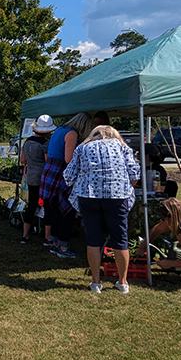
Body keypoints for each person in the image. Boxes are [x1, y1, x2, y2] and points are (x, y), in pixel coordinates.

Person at [63, 125, 140, 294]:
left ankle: (96, 282)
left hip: (89, 195)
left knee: (93, 239)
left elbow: (68, 176)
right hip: (118, 196)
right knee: (120, 239)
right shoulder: (123, 147)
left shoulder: (82, 148)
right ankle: (123, 282)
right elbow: (135, 174)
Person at [39, 112, 93, 257]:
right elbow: (68, 159)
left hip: (50, 171)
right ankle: (63, 246)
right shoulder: (71, 134)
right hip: (60, 174)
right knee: (66, 211)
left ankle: (55, 242)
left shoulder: (59, 130)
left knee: (55, 210)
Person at [20, 115, 54, 245]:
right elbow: (47, 161)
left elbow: (23, 160)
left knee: (31, 205)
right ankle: (47, 236)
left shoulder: (27, 142)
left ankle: (25, 235)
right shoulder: (45, 144)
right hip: (43, 178)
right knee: (47, 206)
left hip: (31, 177)